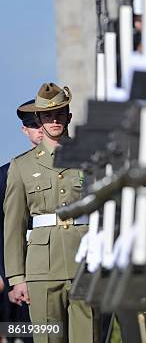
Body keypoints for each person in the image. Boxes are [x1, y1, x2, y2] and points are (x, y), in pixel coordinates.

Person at [3, 83, 93, 343]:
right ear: (39, 121)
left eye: (59, 113)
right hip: (42, 269)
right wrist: (17, 278)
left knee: (88, 337)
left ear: (69, 116)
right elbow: (14, 224)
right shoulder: (21, 166)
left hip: (84, 261)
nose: (54, 120)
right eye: (47, 116)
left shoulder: (91, 157)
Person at [0, 100, 41, 343]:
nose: (40, 129)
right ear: (25, 131)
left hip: (66, 265)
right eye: (33, 125)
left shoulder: (78, 167)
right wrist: (6, 274)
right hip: (23, 270)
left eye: (43, 122)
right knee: (24, 331)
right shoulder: (6, 175)